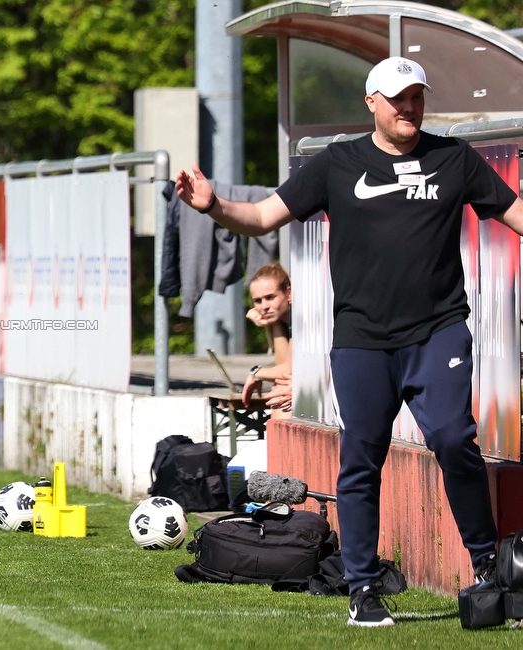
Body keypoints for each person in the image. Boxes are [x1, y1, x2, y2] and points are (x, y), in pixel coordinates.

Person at [177, 57, 523, 627]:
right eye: (397, 98)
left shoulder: (453, 159)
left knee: (454, 439)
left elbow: (514, 213)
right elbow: (263, 216)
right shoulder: (337, 163)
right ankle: (363, 589)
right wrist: (212, 205)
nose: (408, 107)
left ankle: (488, 567)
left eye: (416, 96)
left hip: (438, 332)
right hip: (362, 340)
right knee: (362, 460)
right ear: (372, 104)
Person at [242, 263, 292, 414]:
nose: (264, 306)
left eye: (270, 297)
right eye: (258, 301)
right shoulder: (282, 320)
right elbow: (284, 366)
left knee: (280, 391)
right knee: (280, 389)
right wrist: (273, 323)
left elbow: (287, 371)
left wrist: (255, 373)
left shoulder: (300, 315)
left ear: (288, 294)